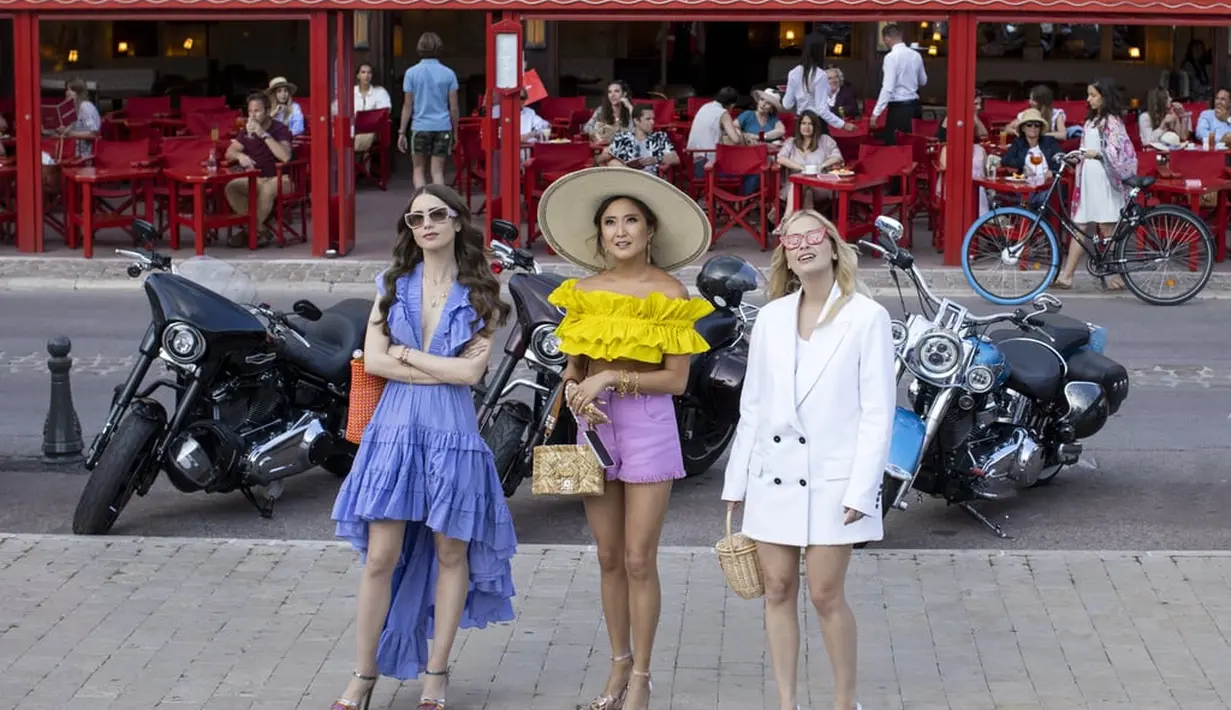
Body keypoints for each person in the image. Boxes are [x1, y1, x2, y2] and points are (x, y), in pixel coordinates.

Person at [329, 184, 517, 710]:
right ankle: (362, 675)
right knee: (380, 557)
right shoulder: (390, 284)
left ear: (458, 221)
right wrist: (434, 366)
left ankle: (436, 674)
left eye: (437, 214)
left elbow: (473, 371)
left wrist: (407, 356)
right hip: (394, 430)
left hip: (453, 434)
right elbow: (375, 361)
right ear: (409, 229)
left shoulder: (485, 294)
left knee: (451, 551)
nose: (427, 224)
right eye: (416, 218)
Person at [537, 166, 716, 710]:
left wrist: (612, 376)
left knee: (640, 558)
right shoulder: (583, 293)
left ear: (649, 231)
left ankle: (642, 676)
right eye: (610, 221)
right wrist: (573, 387)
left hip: (649, 427)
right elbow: (573, 367)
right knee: (609, 557)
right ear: (600, 233)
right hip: (595, 428)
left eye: (631, 220)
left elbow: (677, 380)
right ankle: (616, 666)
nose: (620, 231)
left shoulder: (669, 292)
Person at [722, 209, 894, 710]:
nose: (803, 245)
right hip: (772, 476)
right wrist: (737, 482)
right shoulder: (772, 317)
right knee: (776, 589)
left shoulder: (867, 316)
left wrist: (863, 490)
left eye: (813, 235)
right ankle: (786, 703)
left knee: (823, 593)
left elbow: (877, 413)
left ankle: (845, 702)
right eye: (791, 240)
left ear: (834, 246)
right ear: (785, 258)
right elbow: (752, 405)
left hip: (834, 481)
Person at [1056, 79, 1136, 291]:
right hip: (1089, 177)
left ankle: (1114, 276)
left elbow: (1115, 149)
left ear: (1104, 96)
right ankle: (1067, 275)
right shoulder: (1092, 120)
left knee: (1106, 226)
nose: (1088, 99)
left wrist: (1094, 153)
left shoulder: (1112, 121)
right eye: (1089, 94)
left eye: (1093, 95)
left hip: (1104, 177)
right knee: (1079, 224)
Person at [224, 91, 293, 248]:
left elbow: (285, 156)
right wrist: (240, 156)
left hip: (280, 178)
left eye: (257, 111)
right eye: (250, 111)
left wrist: (263, 134)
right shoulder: (247, 130)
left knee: (266, 191)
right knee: (231, 187)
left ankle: (250, 232)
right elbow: (230, 152)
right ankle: (259, 230)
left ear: (268, 111)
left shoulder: (279, 129)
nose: (252, 116)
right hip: (256, 178)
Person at [399, 32, 460, 188]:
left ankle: (421, 205)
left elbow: (408, 105)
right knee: (438, 172)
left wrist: (402, 131)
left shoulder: (411, 73)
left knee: (418, 169)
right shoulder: (449, 73)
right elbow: (454, 108)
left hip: (420, 126)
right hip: (442, 126)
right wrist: (455, 131)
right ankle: (438, 206)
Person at [784, 34, 858, 136]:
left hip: (800, 123)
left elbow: (787, 104)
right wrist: (843, 125)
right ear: (819, 51)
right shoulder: (820, 75)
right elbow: (822, 110)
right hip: (816, 124)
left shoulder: (793, 73)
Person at [776, 110, 844, 217]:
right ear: (799, 126)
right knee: (805, 190)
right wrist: (801, 167)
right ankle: (808, 227)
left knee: (800, 183)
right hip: (794, 187)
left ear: (816, 126)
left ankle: (786, 218)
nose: (807, 127)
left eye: (810, 124)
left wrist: (822, 165)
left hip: (820, 186)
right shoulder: (791, 142)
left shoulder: (825, 140)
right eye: (803, 123)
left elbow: (837, 157)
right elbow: (781, 158)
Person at [869, 23, 927, 145]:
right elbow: (923, 81)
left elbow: (888, 88)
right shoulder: (916, 55)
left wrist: (876, 113)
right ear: (900, 36)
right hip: (915, 107)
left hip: (899, 109)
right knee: (913, 146)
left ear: (886, 38)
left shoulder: (891, 57)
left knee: (895, 147)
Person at [1000, 108, 1062, 209]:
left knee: (1045, 197)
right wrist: (1023, 166)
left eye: (1037, 125)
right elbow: (1005, 160)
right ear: (1023, 128)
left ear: (1040, 128)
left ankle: (1037, 221)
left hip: (1046, 187)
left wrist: (1052, 172)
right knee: (1027, 199)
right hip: (1026, 188)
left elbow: (1061, 158)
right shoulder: (1018, 143)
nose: (1033, 127)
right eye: (1029, 125)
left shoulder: (1049, 142)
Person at [599, 104, 679, 174]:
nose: (653, 122)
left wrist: (656, 159)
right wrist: (606, 155)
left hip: (651, 179)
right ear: (636, 121)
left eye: (653, 119)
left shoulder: (659, 136)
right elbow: (601, 160)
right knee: (613, 163)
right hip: (627, 179)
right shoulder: (622, 137)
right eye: (648, 119)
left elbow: (675, 158)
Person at [354, 62, 394, 154]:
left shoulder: (380, 92)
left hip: (373, 131)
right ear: (358, 75)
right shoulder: (351, 92)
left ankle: (360, 164)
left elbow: (385, 112)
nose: (366, 75)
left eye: (369, 72)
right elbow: (336, 107)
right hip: (353, 129)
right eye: (363, 72)